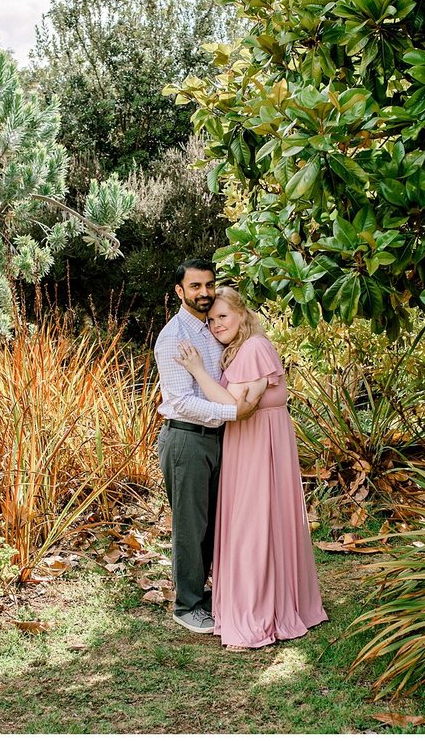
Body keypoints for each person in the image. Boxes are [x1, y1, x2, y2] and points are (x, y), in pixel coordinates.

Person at [175, 286, 328, 651]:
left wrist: (196, 369)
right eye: (211, 320)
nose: (215, 325)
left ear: (242, 314)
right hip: (253, 442)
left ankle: (257, 611)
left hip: (258, 442)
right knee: (262, 523)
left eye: (223, 317)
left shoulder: (255, 347)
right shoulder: (243, 349)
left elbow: (232, 404)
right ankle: (267, 602)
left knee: (253, 526)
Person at [153, 260, 266, 634]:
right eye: (195, 286)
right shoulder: (174, 337)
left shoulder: (210, 329)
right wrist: (232, 412)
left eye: (209, 285)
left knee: (214, 522)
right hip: (186, 437)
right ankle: (187, 604)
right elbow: (181, 401)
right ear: (179, 291)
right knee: (191, 525)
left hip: (218, 439)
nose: (204, 292)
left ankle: (214, 596)